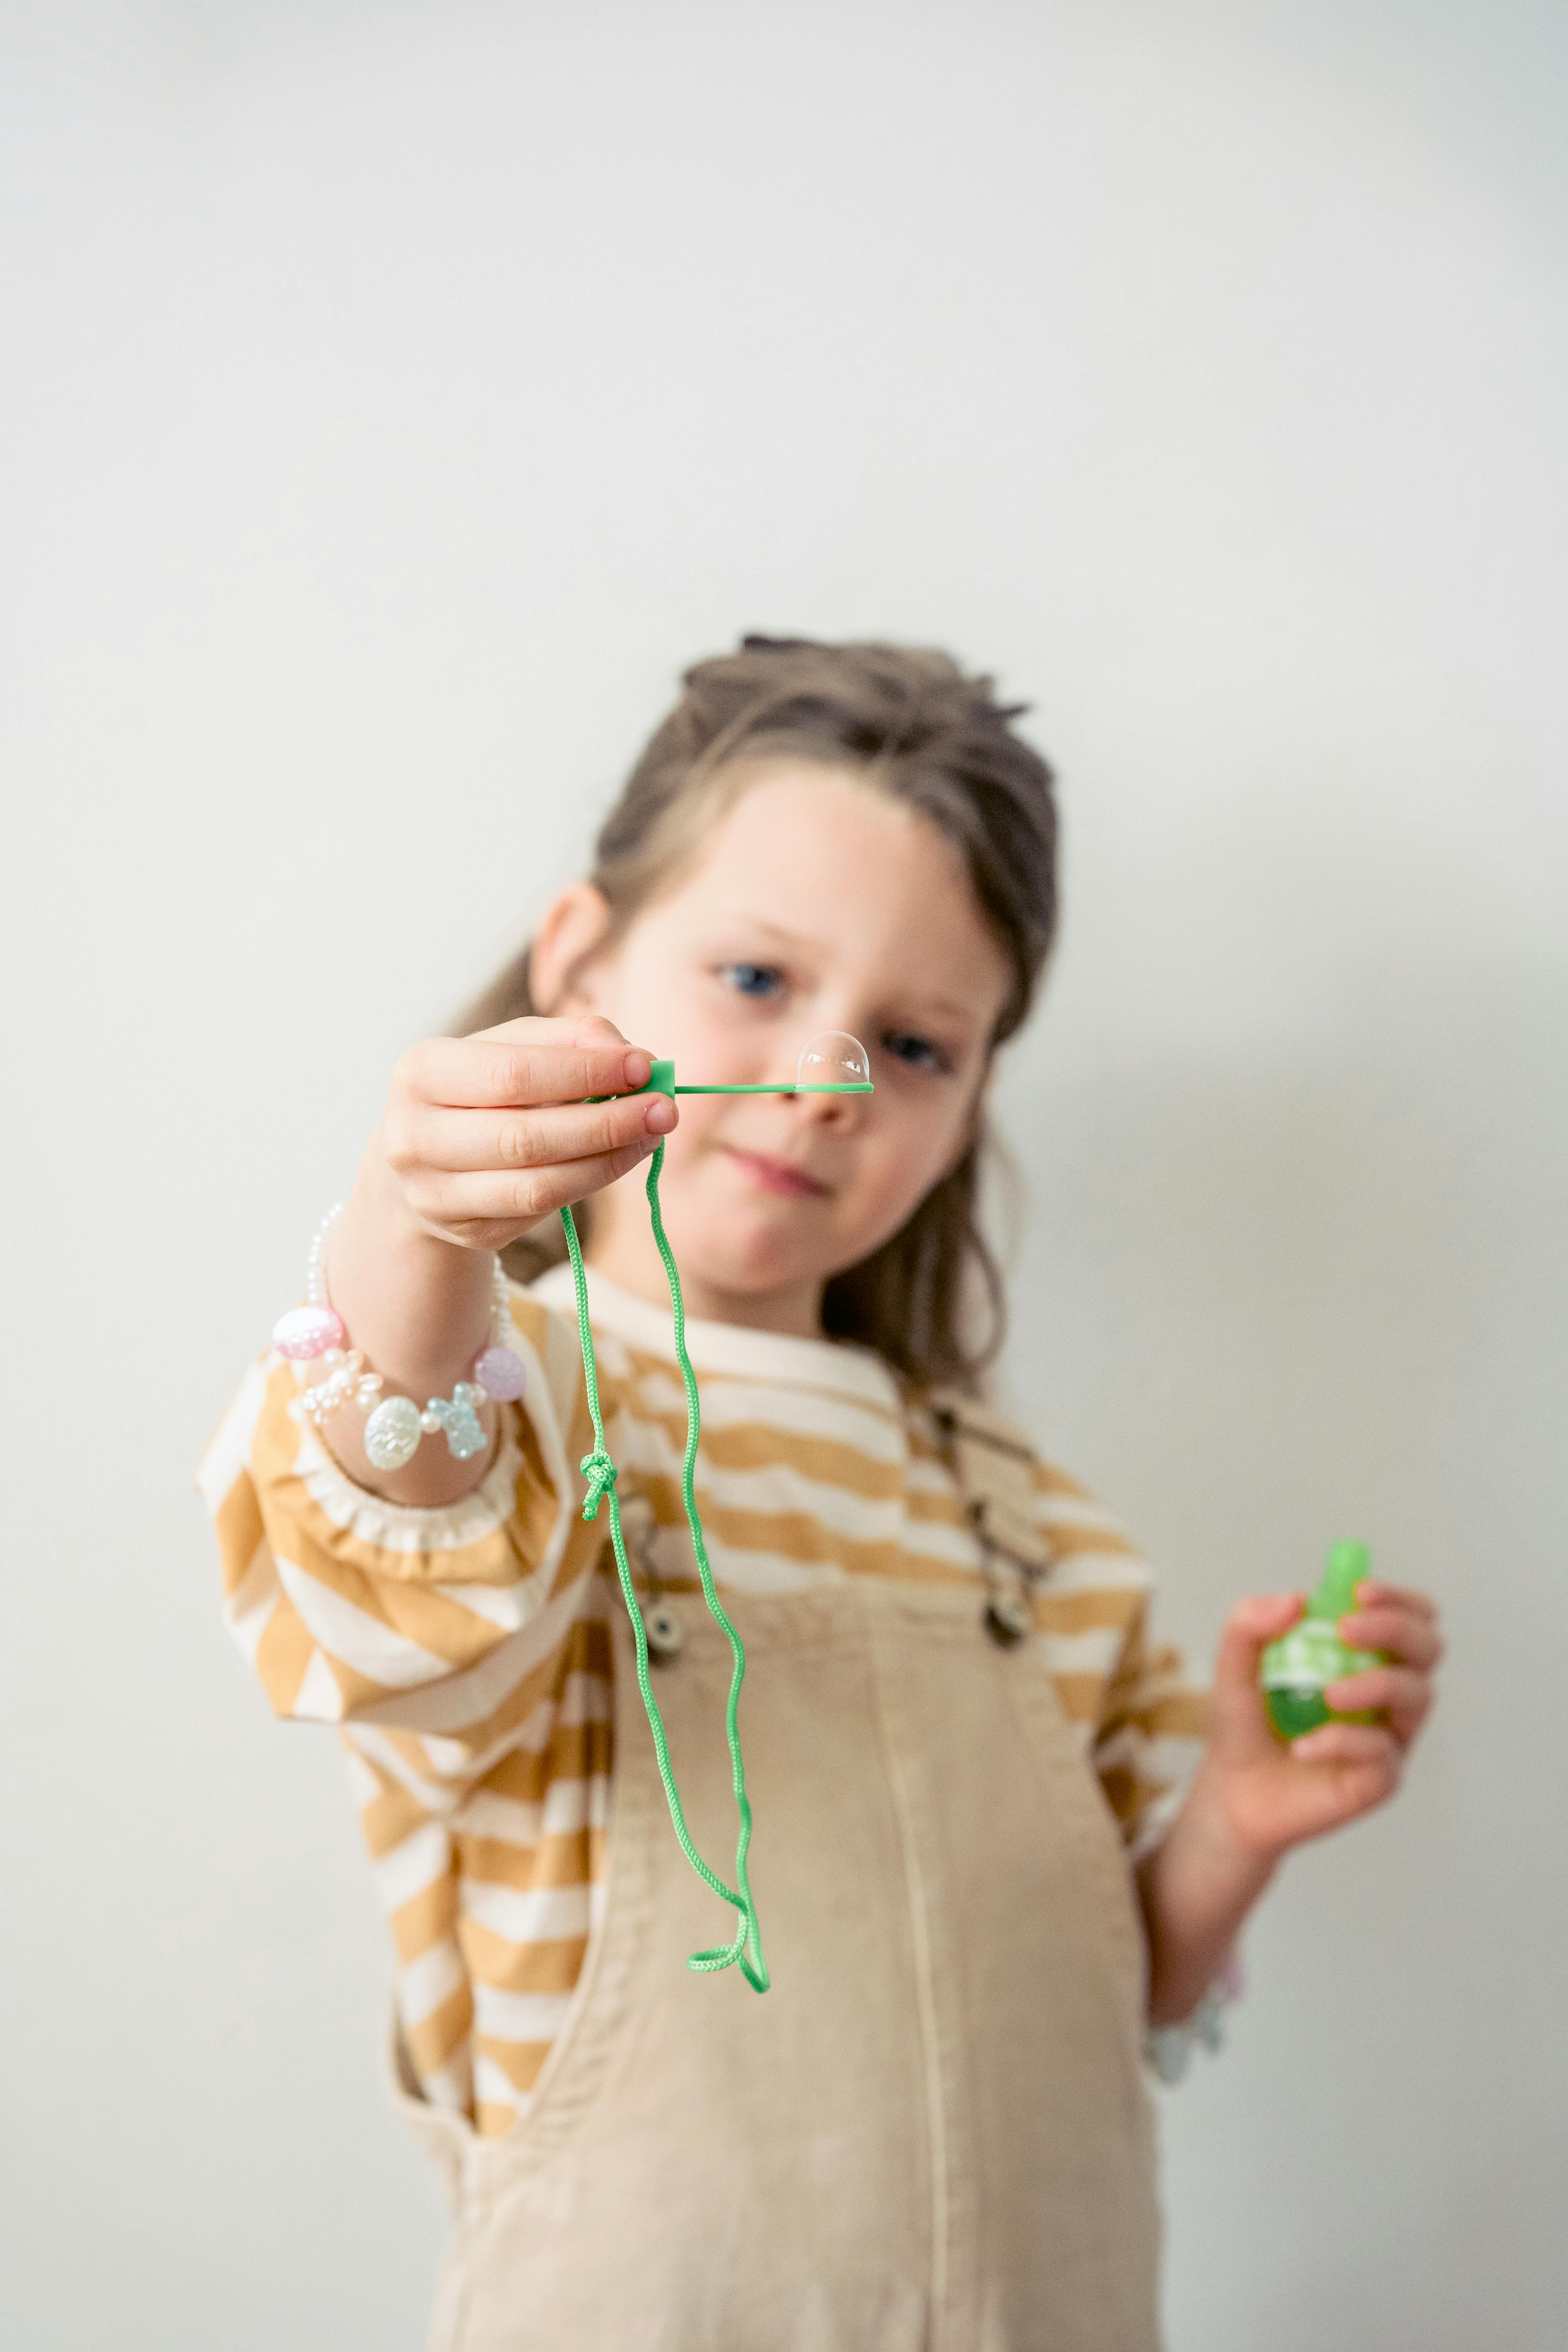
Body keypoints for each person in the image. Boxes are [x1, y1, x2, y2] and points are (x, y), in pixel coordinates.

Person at [199, 636, 1442, 2350]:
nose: (822, 1083)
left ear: (972, 1100)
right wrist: (415, 1240)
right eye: (757, 981)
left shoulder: (1031, 1525)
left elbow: (1104, 1988)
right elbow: (392, 1590)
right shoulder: (518, 1403)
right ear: (581, 959)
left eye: (917, 1047)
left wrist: (1232, 1818)